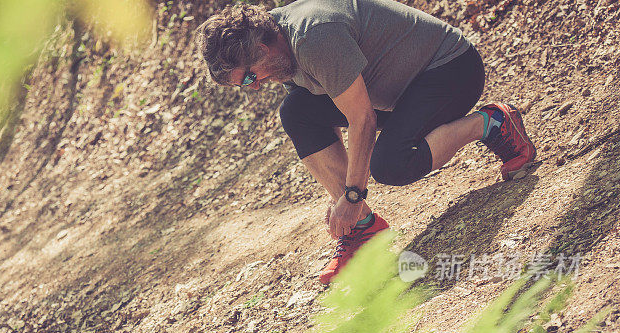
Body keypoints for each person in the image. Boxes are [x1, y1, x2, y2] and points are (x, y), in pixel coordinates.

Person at [195, 0, 536, 284]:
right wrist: (340, 197)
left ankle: (491, 122)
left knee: (391, 164)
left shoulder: (313, 37)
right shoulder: (280, 52)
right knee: (295, 111)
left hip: (451, 71)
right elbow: (324, 118)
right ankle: (362, 228)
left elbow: (363, 120)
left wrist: (353, 194)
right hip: (398, 92)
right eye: (245, 85)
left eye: (250, 77)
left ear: (260, 48)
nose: (254, 87)